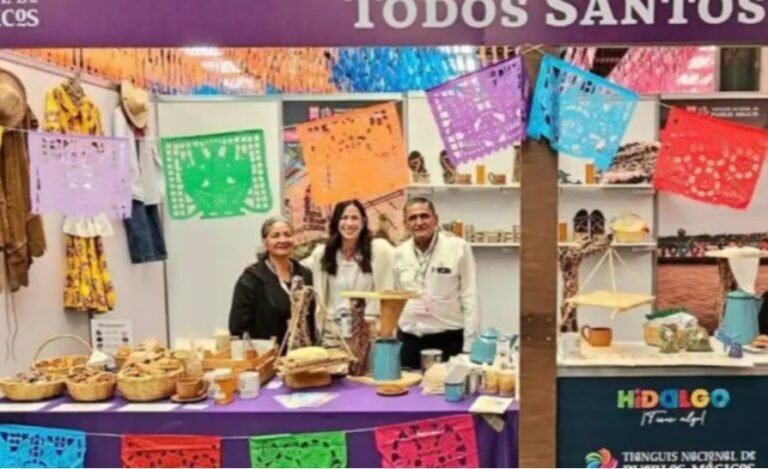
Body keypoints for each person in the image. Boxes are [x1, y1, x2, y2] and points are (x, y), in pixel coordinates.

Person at [394, 197, 480, 369]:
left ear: (436, 219)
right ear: (405, 224)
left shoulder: (458, 248)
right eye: (412, 218)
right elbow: (396, 299)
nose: (419, 222)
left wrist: (470, 346)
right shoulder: (399, 253)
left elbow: (470, 296)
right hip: (409, 341)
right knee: (409, 386)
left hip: (448, 340)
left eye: (424, 216)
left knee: (446, 386)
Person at [302, 200, 395, 346]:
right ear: (336, 222)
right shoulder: (322, 254)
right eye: (344, 218)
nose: (349, 223)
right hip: (332, 337)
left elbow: (404, 262)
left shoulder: (380, 250)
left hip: (370, 335)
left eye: (354, 218)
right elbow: (296, 269)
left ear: (363, 222)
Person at [229, 217, 316, 348]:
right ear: (265, 242)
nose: (283, 240)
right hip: (268, 354)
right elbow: (239, 328)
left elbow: (311, 317)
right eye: (275, 236)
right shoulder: (251, 279)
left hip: (303, 354)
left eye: (287, 234)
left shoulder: (304, 274)